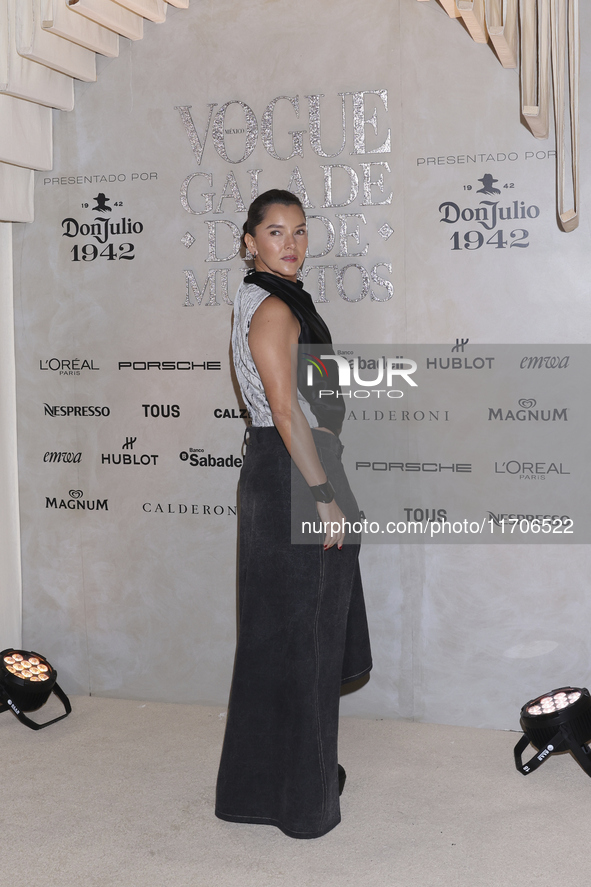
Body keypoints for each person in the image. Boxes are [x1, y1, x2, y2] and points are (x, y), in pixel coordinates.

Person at [215, 190, 372, 839]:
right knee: (302, 638)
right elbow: (285, 413)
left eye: (300, 231)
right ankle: (302, 798)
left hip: (276, 471)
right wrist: (323, 494)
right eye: (275, 231)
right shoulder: (274, 308)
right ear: (248, 241)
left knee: (279, 636)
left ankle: (261, 785)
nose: (290, 242)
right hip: (291, 474)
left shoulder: (266, 300)